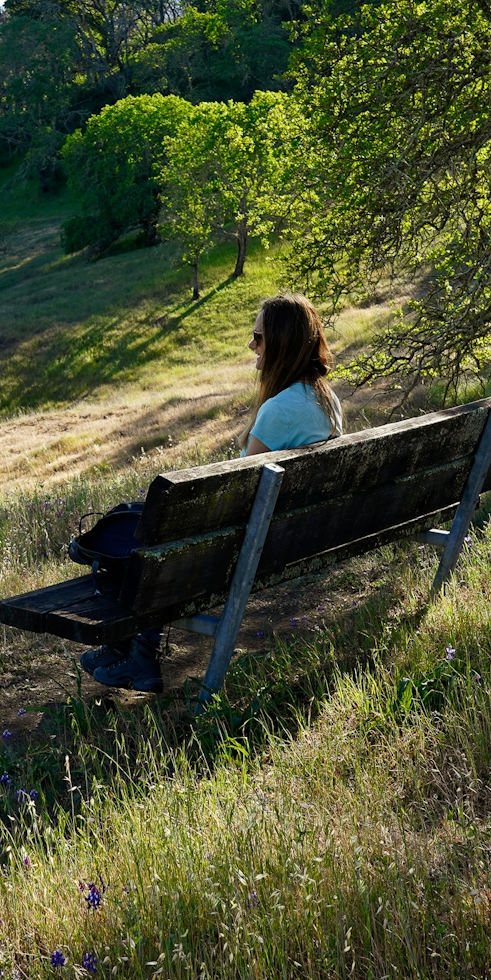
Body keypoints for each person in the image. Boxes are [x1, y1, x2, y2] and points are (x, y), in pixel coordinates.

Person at [86, 293, 343, 693]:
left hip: (249, 546)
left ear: (282, 343)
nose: (251, 345)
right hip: (298, 535)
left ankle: (136, 654)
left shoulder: (281, 409)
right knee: (140, 524)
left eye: (258, 337)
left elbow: (234, 499)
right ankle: (133, 653)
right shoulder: (326, 400)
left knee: (139, 540)